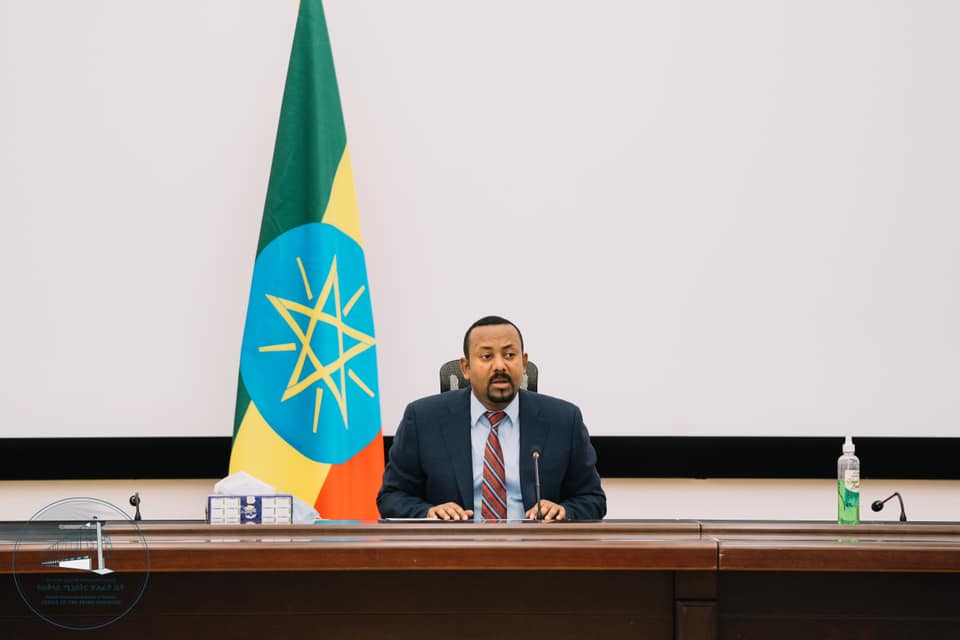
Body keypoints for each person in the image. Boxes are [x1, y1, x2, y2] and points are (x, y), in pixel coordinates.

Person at [377, 315, 606, 521]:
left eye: (509, 355)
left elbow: (592, 498)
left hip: (535, 548)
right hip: (454, 549)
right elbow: (392, 496)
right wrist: (429, 513)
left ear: (524, 363)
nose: (499, 365)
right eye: (486, 356)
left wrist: (564, 511)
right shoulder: (422, 419)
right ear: (466, 368)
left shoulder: (564, 420)